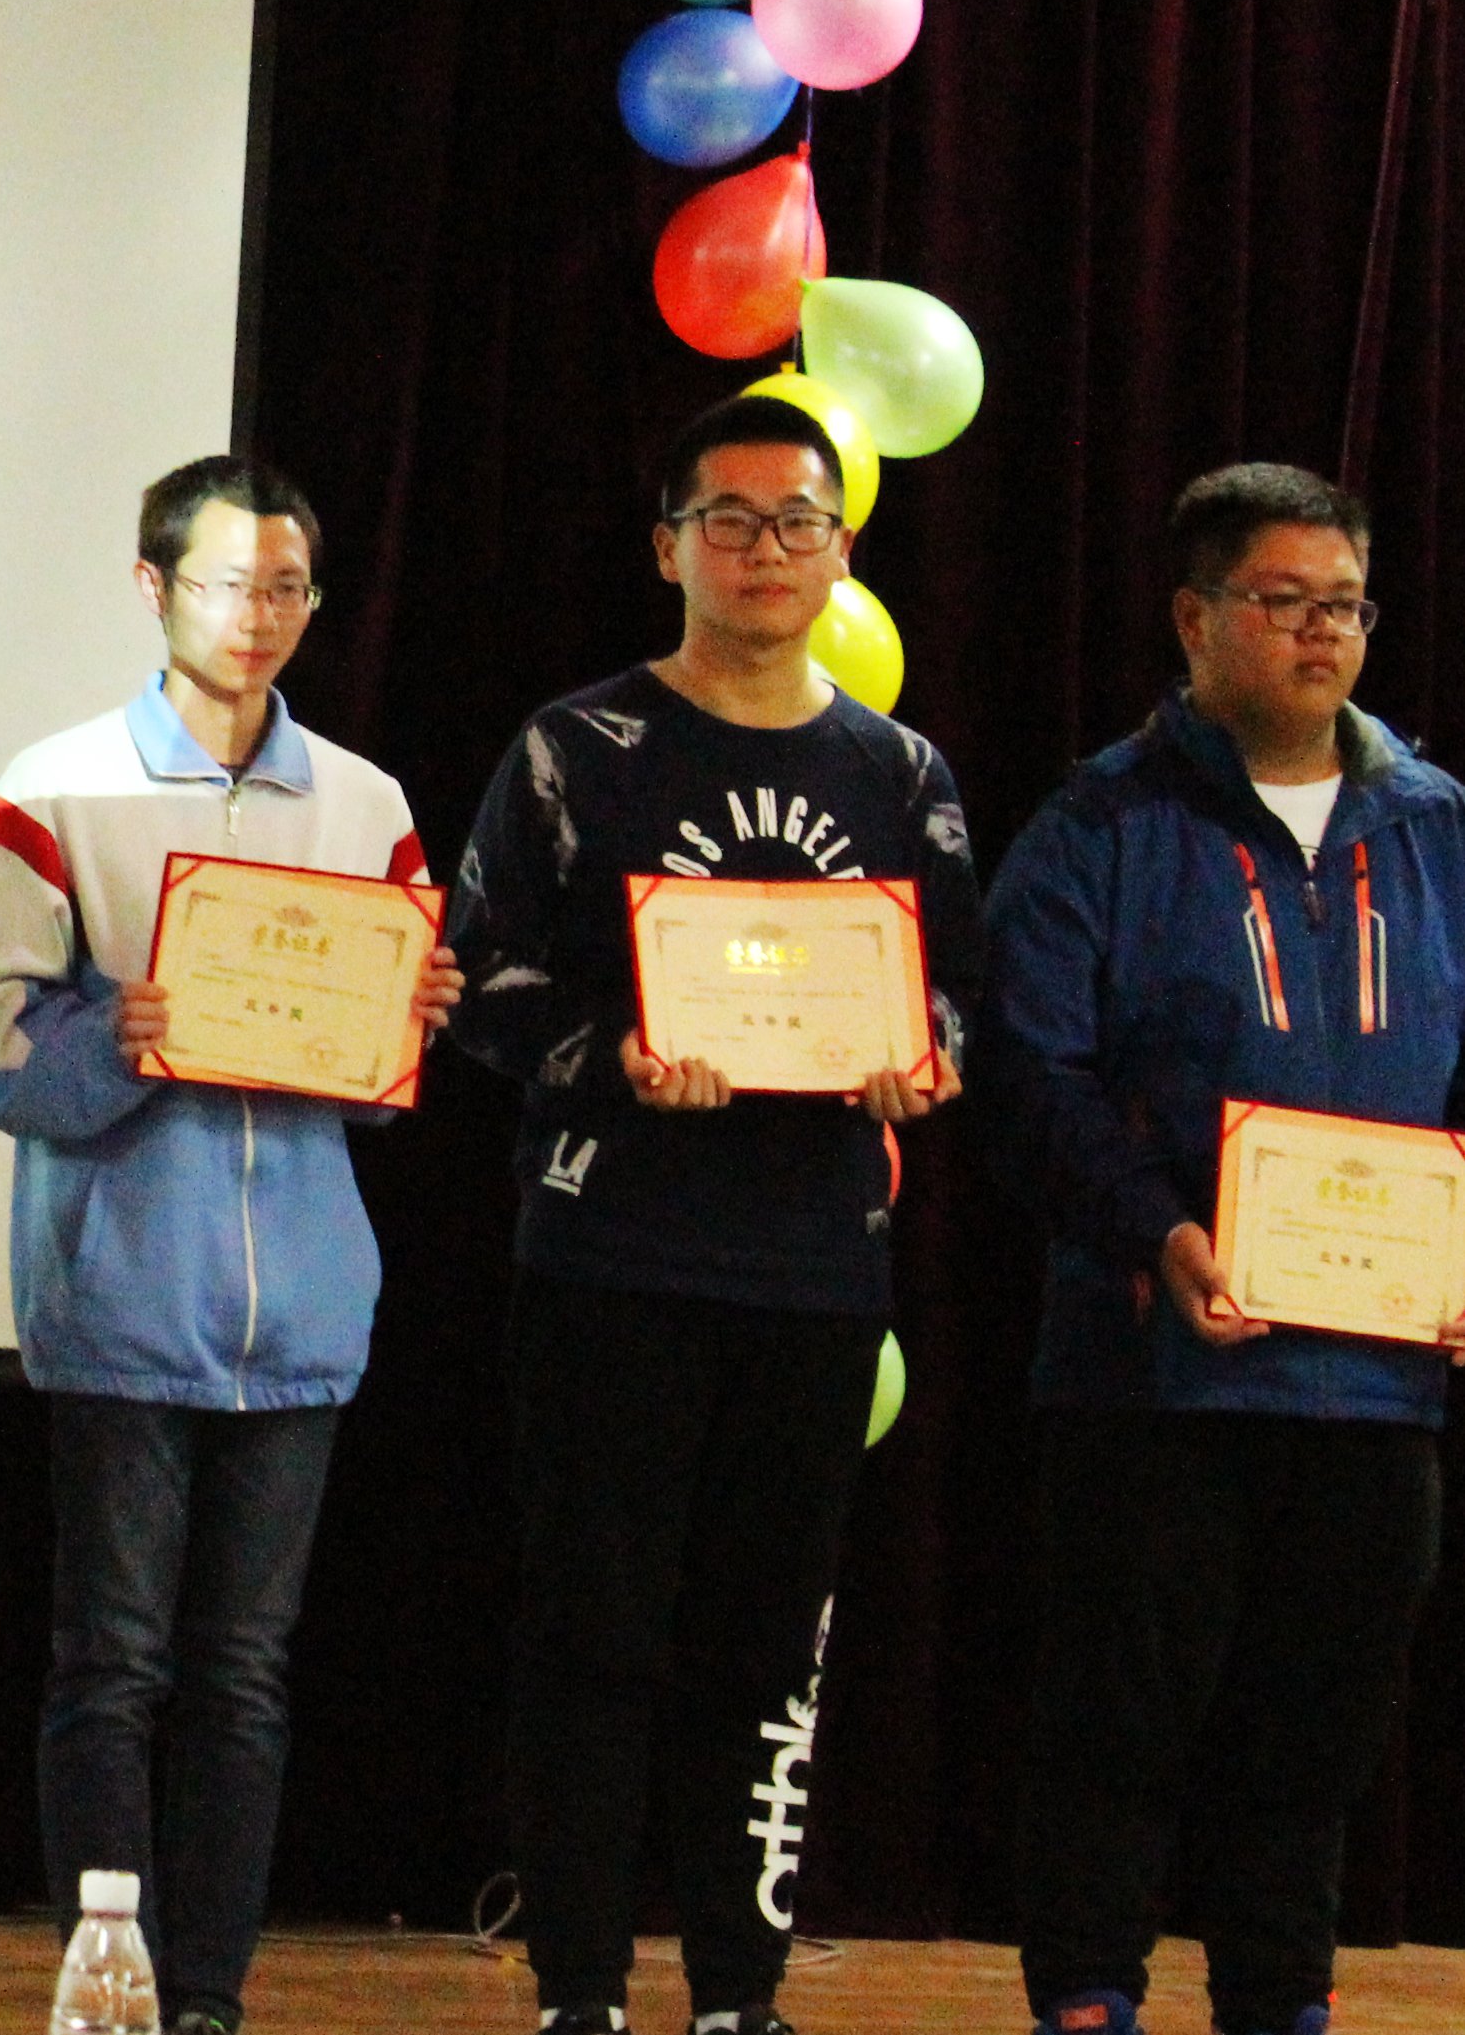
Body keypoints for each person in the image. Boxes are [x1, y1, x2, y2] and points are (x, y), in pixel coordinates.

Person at [443, 393, 977, 2035]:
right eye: (727, 518)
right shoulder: (573, 747)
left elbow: (959, 994)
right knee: (590, 1636)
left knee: (767, 1648)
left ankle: (738, 1994)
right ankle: (580, 1990)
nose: (764, 548)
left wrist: (923, 1060)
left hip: (810, 1272)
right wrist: (611, 1052)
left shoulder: (897, 771)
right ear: (666, 544)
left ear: (840, 549)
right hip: (608, 1256)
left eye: (796, 520)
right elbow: (473, 983)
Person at [0, 456, 456, 2035]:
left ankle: (209, 1994)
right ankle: (114, 1986)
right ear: (151, 587)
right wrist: (115, 1036)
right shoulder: (57, 787)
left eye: (286, 586)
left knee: (244, 1676)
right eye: (227, 583)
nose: (257, 615)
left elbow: (369, 1082)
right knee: (110, 1667)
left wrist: (403, 1020)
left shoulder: (365, 803)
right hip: (120, 1292)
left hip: (299, 1308)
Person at [985, 464, 1465, 2035]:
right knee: (1113, 1725)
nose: (1321, 632)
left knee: (1313, 1739)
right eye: (1282, 600)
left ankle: (1278, 2006)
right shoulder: (1098, 821)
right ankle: (1087, 2002)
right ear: (1192, 619)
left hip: (1374, 1385)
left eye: (1345, 604)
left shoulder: (1436, 825)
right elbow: (1029, 1071)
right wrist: (1159, 1229)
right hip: (1152, 1371)